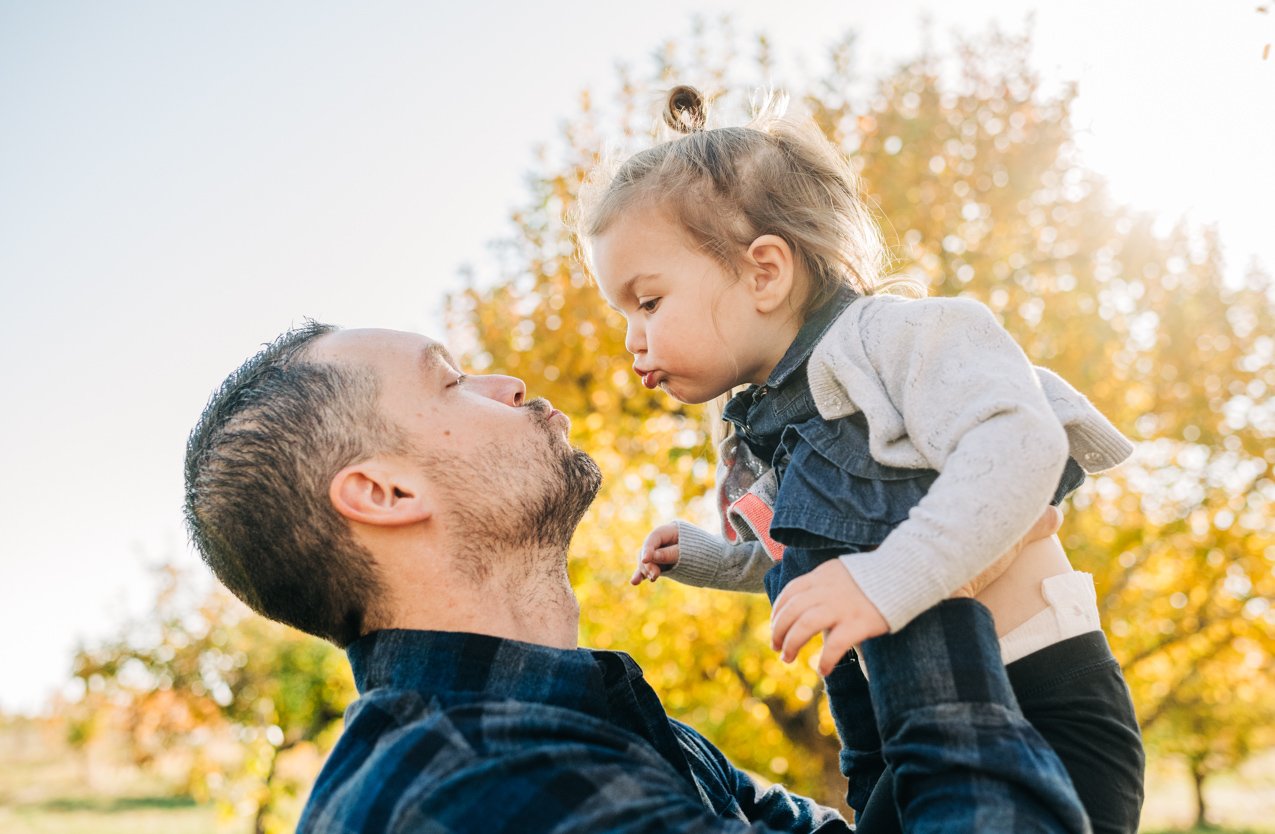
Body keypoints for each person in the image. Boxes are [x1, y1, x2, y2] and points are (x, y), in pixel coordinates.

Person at [184, 322, 1091, 833]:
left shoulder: (603, 732)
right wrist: (924, 569)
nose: (507, 382)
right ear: (383, 491)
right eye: (453, 380)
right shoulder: (479, 794)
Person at [579, 85, 1144, 832]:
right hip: (897, 729)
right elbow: (822, 563)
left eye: (646, 302)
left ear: (763, 272)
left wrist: (884, 581)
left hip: (1033, 698)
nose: (631, 340)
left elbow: (1019, 446)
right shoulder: (766, 420)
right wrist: (716, 559)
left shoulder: (893, 341)